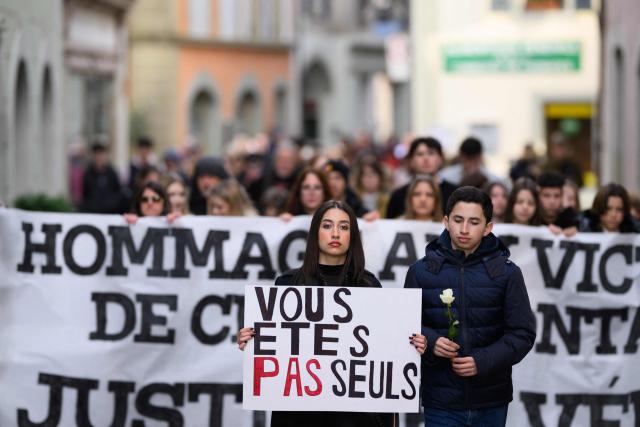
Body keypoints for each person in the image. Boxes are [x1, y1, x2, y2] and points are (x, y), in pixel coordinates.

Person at [237, 200, 427, 427]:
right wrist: (253, 340)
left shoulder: (368, 285)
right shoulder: (289, 284)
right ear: (315, 232)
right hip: (300, 416)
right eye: (327, 226)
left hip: (354, 417)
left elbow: (383, 351)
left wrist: (410, 345)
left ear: (352, 235)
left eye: (344, 227)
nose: (335, 233)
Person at [404, 186, 536, 427]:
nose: (464, 229)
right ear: (445, 221)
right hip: (440, 400)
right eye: (458, 220)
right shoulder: (420, 271)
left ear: (488, 227)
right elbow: (405, 326)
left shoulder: (508, 274)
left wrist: (482, 361)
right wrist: (432, 341)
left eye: (474, 222)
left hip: (491, 400)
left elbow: (522, 334)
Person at [386, 137, 456, 219]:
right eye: (420, 154)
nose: (426, 158)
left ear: (441, 159)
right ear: (411, 161)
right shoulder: (398, 196)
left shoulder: (455, 194)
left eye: (431, 153)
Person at [81, 141, 124, 214]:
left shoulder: (112, 173)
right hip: (92, 212)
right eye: (96, 154)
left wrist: (112, 204)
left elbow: (117, 191)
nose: (99, 157)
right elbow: (85, 194)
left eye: (101, 154)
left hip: (110, 212)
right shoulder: (88, 174)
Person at [537, 171, 578, 236]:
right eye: (546, 195)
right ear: (538, 196)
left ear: (562, 196)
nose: (552, 201)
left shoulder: (572, 219)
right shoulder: (531, 218)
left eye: (557, 196)